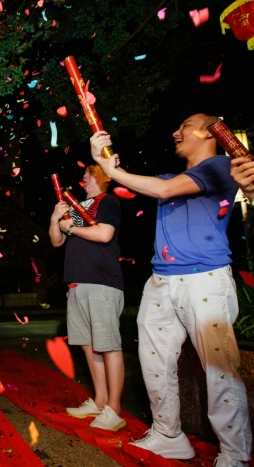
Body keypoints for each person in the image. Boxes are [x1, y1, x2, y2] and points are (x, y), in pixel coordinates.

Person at [91, 114, 252, 466]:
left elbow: (164, 190)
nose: (175, 131)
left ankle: (235, 455)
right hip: (161, 280)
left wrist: (114, 173)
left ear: (209, 131)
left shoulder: (222, 166)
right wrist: (106, 159)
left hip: (205, 279)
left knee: (219, 369)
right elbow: (155, 185)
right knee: (154, 362)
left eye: (185, 126)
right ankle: (168, 434)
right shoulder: (171, 178)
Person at [48, 164, 126, 431]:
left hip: (102, 282)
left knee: (108, 345)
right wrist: (55, 220)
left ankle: (114, 408)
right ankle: (100, 400)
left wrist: (70, 228)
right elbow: (56, 242)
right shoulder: (76, 206)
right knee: (88, 345)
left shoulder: (108, 201)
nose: (84, 177)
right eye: (84, 174)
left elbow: (104, 234)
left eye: (90, 173)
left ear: (105, 177)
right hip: (77, 283)